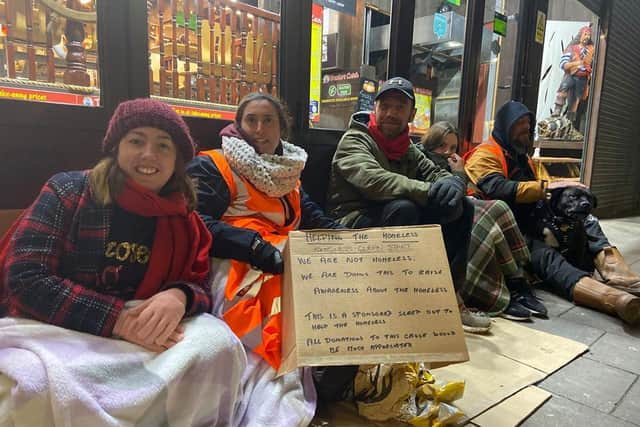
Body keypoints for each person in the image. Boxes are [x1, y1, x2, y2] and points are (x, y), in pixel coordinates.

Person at [0, 98, 245, 426]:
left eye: (163, 146)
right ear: (116, 147)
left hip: (142, 338)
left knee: (221, 346)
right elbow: (25, 279)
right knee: (35, 385)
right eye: (136, 141)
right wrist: (117, 320)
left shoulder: (185, 218)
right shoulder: (68, 191)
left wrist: (179, 296)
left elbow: (200, 285)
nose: (149, 155)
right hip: (58, 330)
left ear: (176, 162)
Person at [187, 92, 345, 425]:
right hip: (234, 260)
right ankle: (280, 373)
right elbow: (195, 221)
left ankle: (327, 364)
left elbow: (311, 214)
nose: (259, 128)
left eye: (268, 120)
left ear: (282, 127)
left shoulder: (288, 170)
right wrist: (253, 246)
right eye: (251, 120)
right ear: (238, 125)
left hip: (283, 254)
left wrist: (346, 239)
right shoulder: (214, 164)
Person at [326, 77, 490, 333]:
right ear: (375, 108)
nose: (392, 112)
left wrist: (455, 183)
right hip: (350, 220)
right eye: (386, 105)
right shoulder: (355, 140)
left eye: (400, 107)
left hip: (390, 214)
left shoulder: (408, 148)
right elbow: (375, 181)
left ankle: (448, 298)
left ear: (412, 113)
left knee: (462, 208)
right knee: (405, 208)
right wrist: (430, 190)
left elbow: (435, 173)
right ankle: (394, 305)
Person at [464, 100, 640, 324]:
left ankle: (616, 273)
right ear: (505, 126)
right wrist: (546, 188)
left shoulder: (521, 156)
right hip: (508, 228)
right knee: (546, 258)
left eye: (528, 123)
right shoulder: (486, 153)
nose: (526, 129)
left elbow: (535, 192)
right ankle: (611, 299)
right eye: (519, 123)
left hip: (532, 218)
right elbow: (497, 188)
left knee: (585, 217)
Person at [421, 121, 547, 320]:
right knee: (485, 217)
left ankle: (516, 281)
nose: (447, 152)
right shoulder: (423, 158)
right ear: (431, 144)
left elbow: (468, 190)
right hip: (439, 210)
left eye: (453, 147)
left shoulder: (453, 163)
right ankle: (500, 293)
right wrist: (460, 175)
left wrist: (461, 177)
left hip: (461, 204)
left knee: (499, 206)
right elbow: (445, 192)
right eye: (441, 146)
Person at [552, 25, 594, 127]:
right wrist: (575, 64)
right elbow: (563, 64)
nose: (587, 37)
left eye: (589, 35)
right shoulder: (572, 49)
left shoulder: (591, 50)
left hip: (582, 78)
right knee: (564, 88)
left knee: (575, 101)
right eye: (585, 34)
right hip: (571, 75)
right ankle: (557, 110)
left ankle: (570, 124)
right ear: (580, 36)